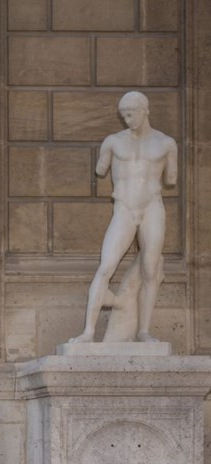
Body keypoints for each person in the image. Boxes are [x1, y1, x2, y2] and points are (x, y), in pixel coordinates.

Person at [72, 91, 177, 344]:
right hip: (124, 208)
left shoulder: (166, 144)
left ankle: (143, 331)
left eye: (131, 114)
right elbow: (101, 168)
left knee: (150, 269)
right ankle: (88, 331)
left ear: (145, 110)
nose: (128, 119)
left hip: (152, 207)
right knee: (106, 266)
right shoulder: (113, 142)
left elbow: (171, 179)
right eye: (124, 115)